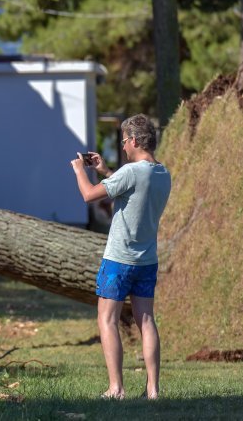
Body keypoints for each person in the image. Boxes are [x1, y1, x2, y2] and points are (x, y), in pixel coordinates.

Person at [70, 114, 171, 400]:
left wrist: (80, 170)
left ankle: (116, 388)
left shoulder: (130, 171)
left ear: (135, 141)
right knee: (147, 321)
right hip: (147, 259)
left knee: (107, 320)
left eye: (125, 141)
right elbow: (131, 189)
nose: (124, 146)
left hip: (118, 260)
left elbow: (90, 195)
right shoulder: (162, 173)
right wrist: (104, 169)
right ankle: (153, 390)